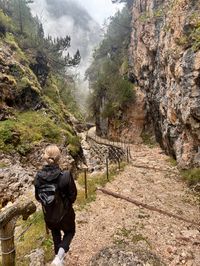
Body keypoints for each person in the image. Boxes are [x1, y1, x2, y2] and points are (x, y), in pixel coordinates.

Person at [34, 144, 77, 266]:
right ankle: (59, 257)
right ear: (58, 158)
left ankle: (58, 259)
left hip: (49, 215)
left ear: (45, 157)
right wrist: (66, 205)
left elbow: (38, 197)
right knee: (70, 232)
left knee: (55, 233)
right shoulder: (65, 176)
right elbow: (73, 195)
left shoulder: (38, 177)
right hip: (65, 214)